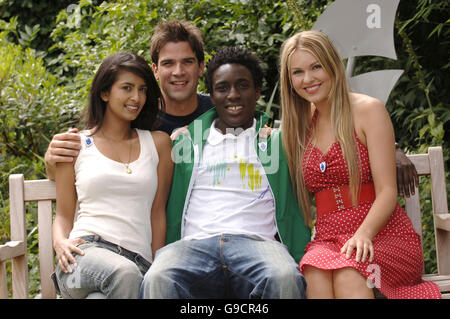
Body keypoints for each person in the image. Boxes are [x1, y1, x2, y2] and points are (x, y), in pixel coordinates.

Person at [43, 19, 417, 198]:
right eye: (168, 64)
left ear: (200, 69)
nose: (178, 71)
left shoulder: (223, 110)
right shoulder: (137, 115)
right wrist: (53, 162)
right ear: (154, 69)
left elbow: (303, 129)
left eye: (187, 62)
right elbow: (97, 151)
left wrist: (390, 147)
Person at [279, 30, 441, 299]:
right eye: (298, 72)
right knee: (313, 276)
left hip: (382, 233)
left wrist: (363, 234)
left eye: (316, 67)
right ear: (289, 79)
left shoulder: (368, 110)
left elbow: (388, 191)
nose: (308, 79)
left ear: (332, 64)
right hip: (329, 238)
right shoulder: (297, 125)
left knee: (349, 275)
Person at [140, 46, 310, 299]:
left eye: (243, 86)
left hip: (257, 245)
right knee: (159, 277)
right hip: (193, 246)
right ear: (211, 95)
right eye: (222, 88)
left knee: (283, 277)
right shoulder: (186, 143)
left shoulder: (277, 142)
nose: (233, 95)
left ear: (258, 93)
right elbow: (121, 151)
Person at [52, 52, 173, 298]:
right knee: (124, 274)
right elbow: (63, 214)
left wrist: (157, 267)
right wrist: (59, 243)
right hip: (80, 261)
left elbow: (157, 212)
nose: (136, 97)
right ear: (105, 93)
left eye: (142, 90)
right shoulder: (76, 145)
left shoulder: (159, 144)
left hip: (137, 263)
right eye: (126, 88)